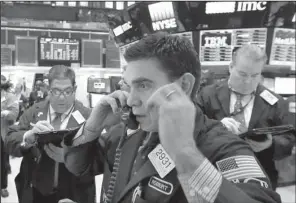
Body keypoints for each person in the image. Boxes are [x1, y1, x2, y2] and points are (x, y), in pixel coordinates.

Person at [62, 33, 281, 203]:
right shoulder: (128, 131)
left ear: (184, 85)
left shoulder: (222, 147)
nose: (130, 100)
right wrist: (92, 126)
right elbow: (79, 166)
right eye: (129, 86)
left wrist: (185, 154)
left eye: (143, 85)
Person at [197, 44, 295, 190]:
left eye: (255, 75)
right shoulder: (207, 95)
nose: (248, 81)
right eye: (242, 74)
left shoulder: (275, 101)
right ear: (231, 67)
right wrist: (215, 126)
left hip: (258, 177)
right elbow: (193, 125)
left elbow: (290, 137)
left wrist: (270, 144)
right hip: (214, 173)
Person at [6, 65, 95, 203]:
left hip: (75, 192)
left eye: (67, 91)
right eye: (56, 91)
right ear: (49, 89)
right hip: (35, 191)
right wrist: (28, 136)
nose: (61, 98)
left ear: (75, 89)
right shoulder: (35, 111)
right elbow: (9, 139)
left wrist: (72, 157)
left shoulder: (87, 116)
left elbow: (99, 155)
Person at [1, 76, 19, 198]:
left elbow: (14, 114)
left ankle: (2, 187)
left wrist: (3, 112)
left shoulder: (10, 97)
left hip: (2, 135)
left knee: (2, 163)